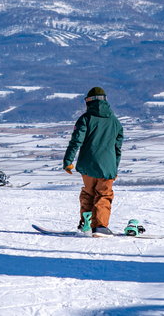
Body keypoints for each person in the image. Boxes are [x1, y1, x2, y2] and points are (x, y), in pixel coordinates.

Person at [62, 86, 123, 235]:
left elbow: (76, 141)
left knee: (88, 194)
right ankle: (100, 226)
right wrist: (114, 168)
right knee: (103, 195)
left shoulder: (85, 119)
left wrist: (68, 161)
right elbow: (117, 149)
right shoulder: (115, 122)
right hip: (107, 167)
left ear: (88, 101)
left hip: (87, 165)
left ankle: (85, 224)